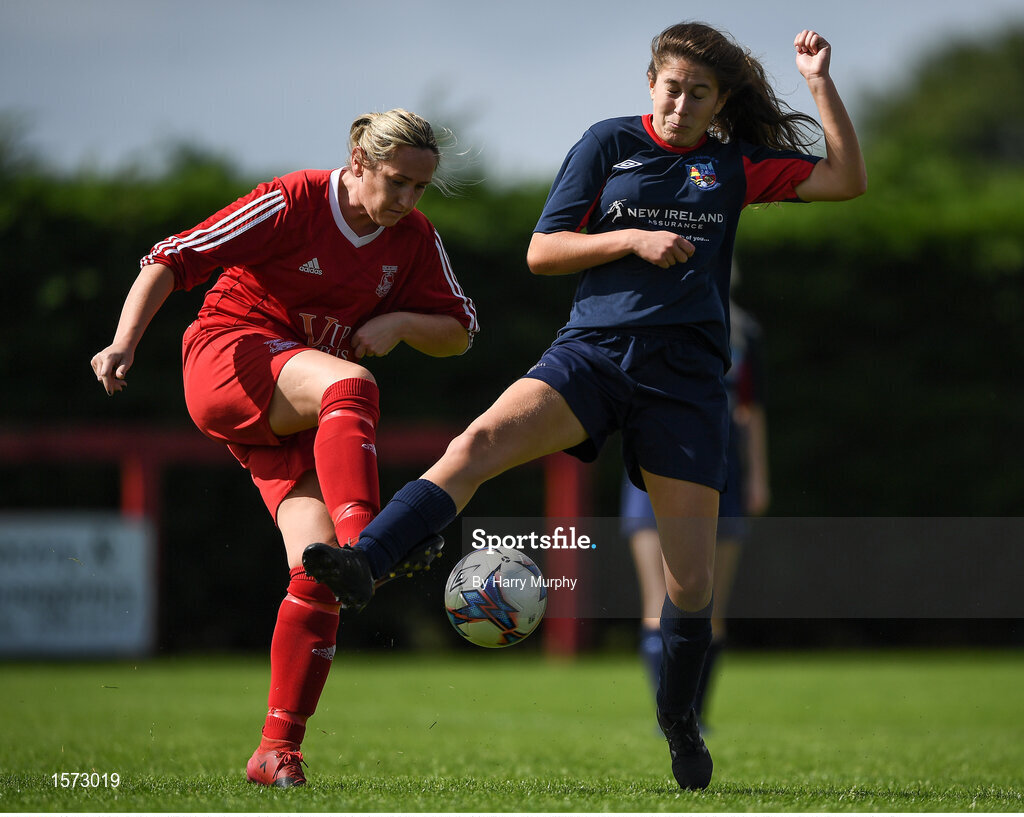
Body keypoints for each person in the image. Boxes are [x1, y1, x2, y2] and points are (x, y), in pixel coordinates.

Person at [303, 23, 866, 790]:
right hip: (594, 355)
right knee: (477, 443)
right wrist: (631, 239)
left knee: (691, 583)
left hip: (687, 383)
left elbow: (844, 179)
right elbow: (542, 250)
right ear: (649, 83)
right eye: (671, 86)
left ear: (720, 101)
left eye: (699, 92)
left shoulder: (733, 162)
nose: (681, 102)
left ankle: (678, 718)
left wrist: (819, 82)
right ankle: (366, 561)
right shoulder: (606, 144)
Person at [90, 109, 479, 788]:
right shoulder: (294, 199)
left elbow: (460, 329)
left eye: (422, 188)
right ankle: (374, 543)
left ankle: (276, 750)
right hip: (225, 359)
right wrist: (124, 341)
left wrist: (399, 320)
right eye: (397, 182)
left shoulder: (412, 236)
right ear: (357, 159)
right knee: (351, 385)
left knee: (316, 570)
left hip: (292, 414)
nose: (409, 200)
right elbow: (169, 257)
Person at [622, 295, 770, 729]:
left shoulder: (743, 328)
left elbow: (752, 408)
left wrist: (759, 475)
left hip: (722, 472)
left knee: (710, 606)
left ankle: (693, 717)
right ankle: (670, 715)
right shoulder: (643, 310)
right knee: (657, 602)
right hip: (651, 467)